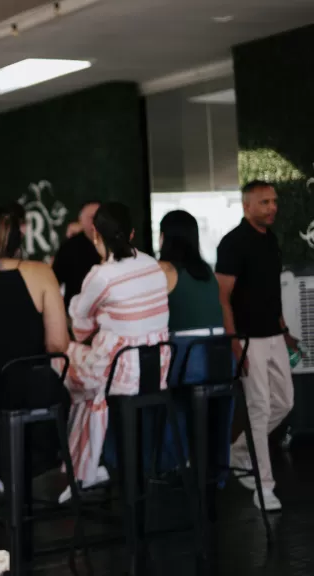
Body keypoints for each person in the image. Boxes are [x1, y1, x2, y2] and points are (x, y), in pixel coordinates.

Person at [0, 207, 69, 509]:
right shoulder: (41, 273)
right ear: (19, 236)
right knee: (50, 391)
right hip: (27, 393)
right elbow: (57, 342)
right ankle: (30, 477)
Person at [62, 202, 170, 491]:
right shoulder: (152, 265)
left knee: (62, 359)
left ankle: (82, 468)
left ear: (95, 234)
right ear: (132, 233)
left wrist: (101, 316)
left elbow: (80, 327)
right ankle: (86, 466)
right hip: (156, 369)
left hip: (120, 374)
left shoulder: (101, 275)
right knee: (88, 379)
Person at [216, 180, 297, 512]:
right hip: (248, 339)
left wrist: (284, 330)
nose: (272, 207)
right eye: (264, 202)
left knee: (285, 402)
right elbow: (222, 298)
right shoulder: (233, 244)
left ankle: (239, 452)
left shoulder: (271, 240)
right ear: (246, 206)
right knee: (260, 409)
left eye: (274, 202)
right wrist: (234, 343)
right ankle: (264, 486)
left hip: (274, 336)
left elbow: (269, 292)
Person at [157, 210, 229, 475]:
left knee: (145, 392)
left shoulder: (164, 270)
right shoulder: (207, 272)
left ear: (164, 236)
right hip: (220, 361)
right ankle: (202, 464)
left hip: (188, 362)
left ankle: (167, 462)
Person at [52, 201, 102, 310]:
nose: (96, 222)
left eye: (100, 217)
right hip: (76, 312)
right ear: (81, 221)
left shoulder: (114, 244)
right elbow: (55, 280)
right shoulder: (69, 247)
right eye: (92, 217)